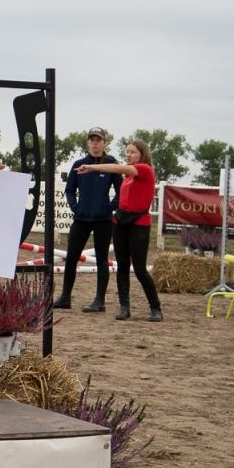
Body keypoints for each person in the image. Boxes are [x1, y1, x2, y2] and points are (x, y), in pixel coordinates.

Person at [78, 139, 163, 322]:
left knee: (139, 269)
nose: (129, 155)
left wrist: (93, 168)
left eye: (133, 152)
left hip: (139, 223)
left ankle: (155, 307)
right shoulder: (129, 176)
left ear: (142, 154)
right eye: (127, 152)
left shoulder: (144, 169)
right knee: (122, 267)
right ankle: (124, 307)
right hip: (120, 221)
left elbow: (118, 168)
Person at [56, 127, 121, 312]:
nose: (95, 143)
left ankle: (99, 301)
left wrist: (109, 207)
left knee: (102, 259)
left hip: (103, 220)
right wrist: (75, 207)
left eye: (98, 140)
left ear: (104, 143)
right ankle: (65, 297)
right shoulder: (79, 164)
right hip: (81, 219)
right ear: (88, 143)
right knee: (71, 257)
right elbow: (69, 190)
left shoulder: (111, 164)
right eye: (92, 139)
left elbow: (120, 191)